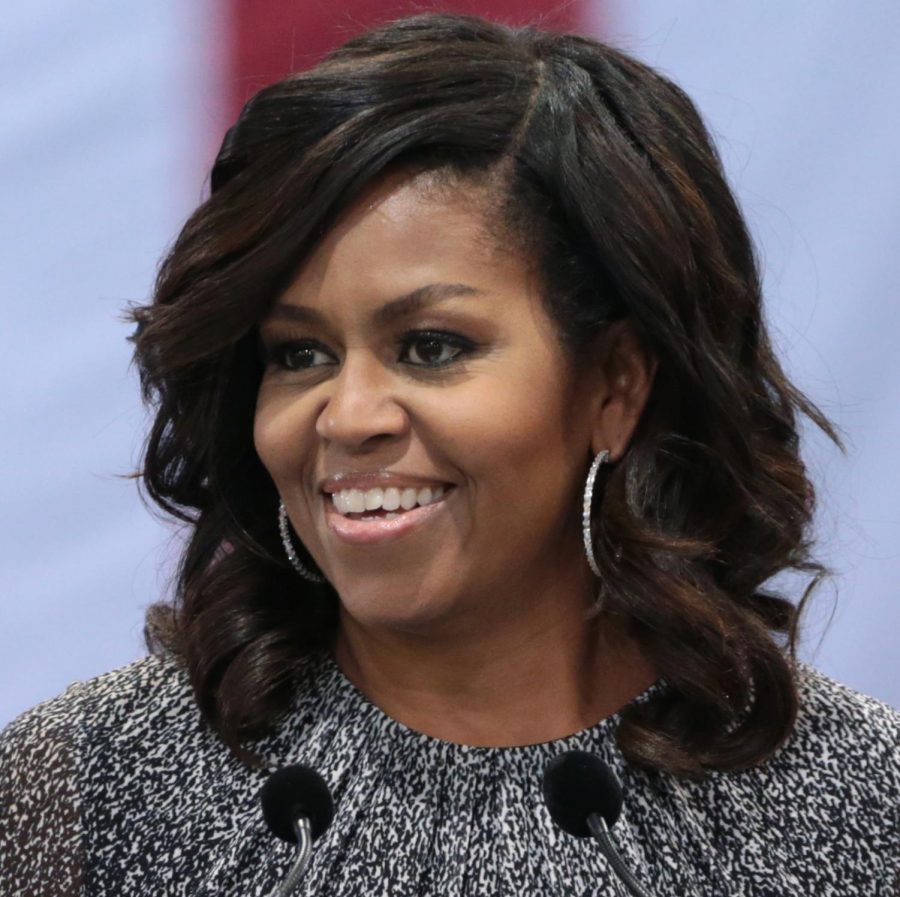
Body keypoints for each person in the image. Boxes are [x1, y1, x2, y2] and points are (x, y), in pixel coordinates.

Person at [1, 12, 897, 896]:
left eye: (431, 346)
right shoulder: (89, 785)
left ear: (616, 386)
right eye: (298, 354)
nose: (346, 416)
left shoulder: (854, 804)